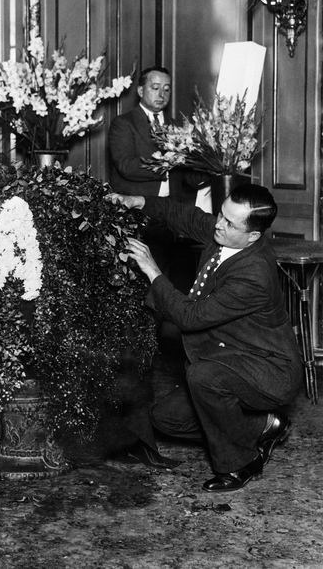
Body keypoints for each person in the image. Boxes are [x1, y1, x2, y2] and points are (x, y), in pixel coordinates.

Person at [107, 184, 303, 492]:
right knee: (165, 419)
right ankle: (264, 425)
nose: (219, 225)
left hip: (270, 371)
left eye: (229, 223)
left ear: (253, 236)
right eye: (221, 215)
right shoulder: (225, 234)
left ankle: (238, 464)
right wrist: (138, 201)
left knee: (203, 376)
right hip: (231, 357)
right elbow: (182, 215)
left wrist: (152, 270)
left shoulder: (254, 274)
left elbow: (190, 317)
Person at [108, 66, 207, 282]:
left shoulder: (178, 128)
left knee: (172, 278)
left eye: (167, 89)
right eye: (155, 88)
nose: (162, 94)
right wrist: (167, 163)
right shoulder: (123, 124)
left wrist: (210, 168)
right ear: (141, 91)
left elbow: (185, 176)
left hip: (172, 214)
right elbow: (126, 165)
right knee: (139, 280)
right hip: (138, 213)